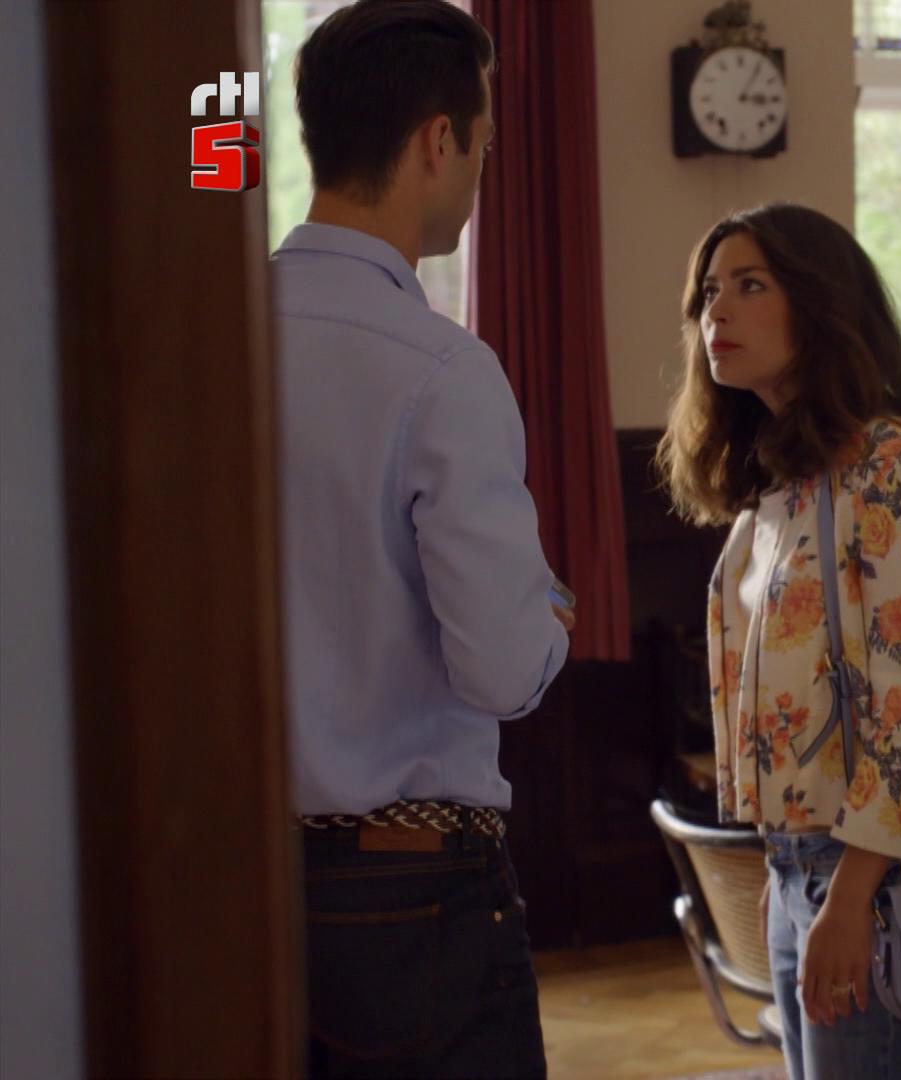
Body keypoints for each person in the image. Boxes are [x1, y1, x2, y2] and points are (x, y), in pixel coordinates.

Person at [272, 2, 569, 1074]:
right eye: (483, 144)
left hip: (222, 878)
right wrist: (551, 610)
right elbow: (502, 669)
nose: (483, 171)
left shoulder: (203, 339)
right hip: (411, 896)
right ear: (438, 142)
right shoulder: (442, 370)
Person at [658, 203, 901, 1080]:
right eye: (709, 292)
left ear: (821, 303)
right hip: (804, 866)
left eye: (750, 286)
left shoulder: (893, 469)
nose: (718, 311)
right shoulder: (786, 480)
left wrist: (847, 895)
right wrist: (791, 870)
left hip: (874, 872)